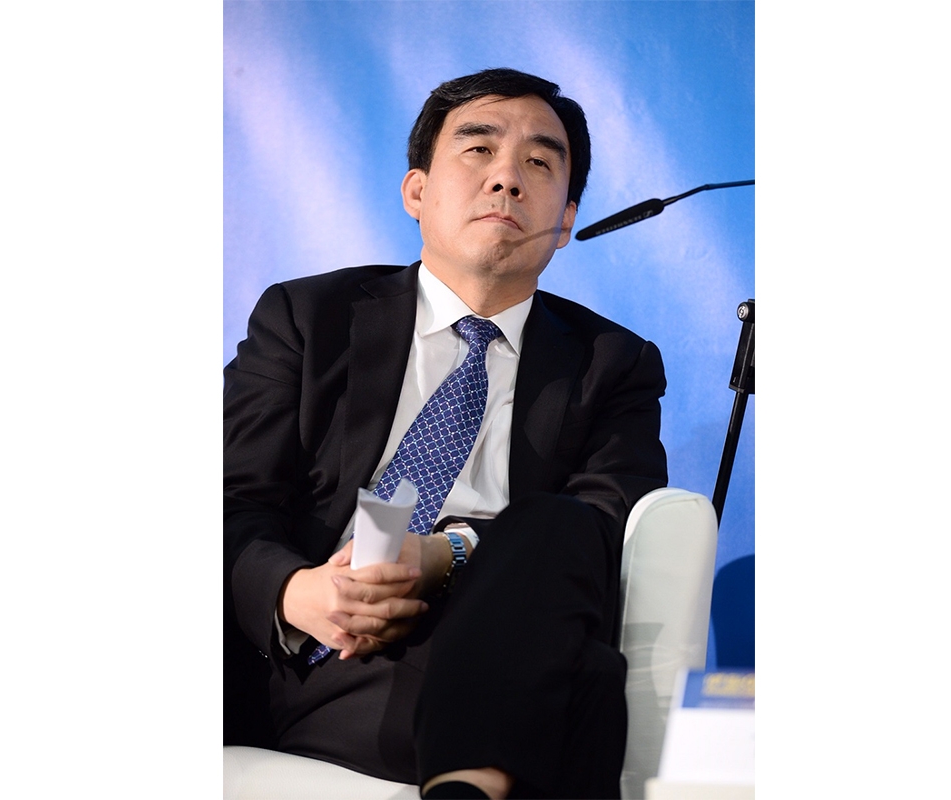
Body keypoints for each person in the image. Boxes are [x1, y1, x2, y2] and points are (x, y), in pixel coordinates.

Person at [224, 67, 668, 799]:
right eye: (479, 149)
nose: (506, 180)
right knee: (588, 683)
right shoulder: (309, 319)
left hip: (491, 633)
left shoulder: (613, 363)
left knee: (562, 525)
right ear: (417, 191)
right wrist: (296, 594)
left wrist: (448, 553)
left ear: (565, 221)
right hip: (310, 651)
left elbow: (604, 529)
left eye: (539, 163)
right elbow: (229, 500)